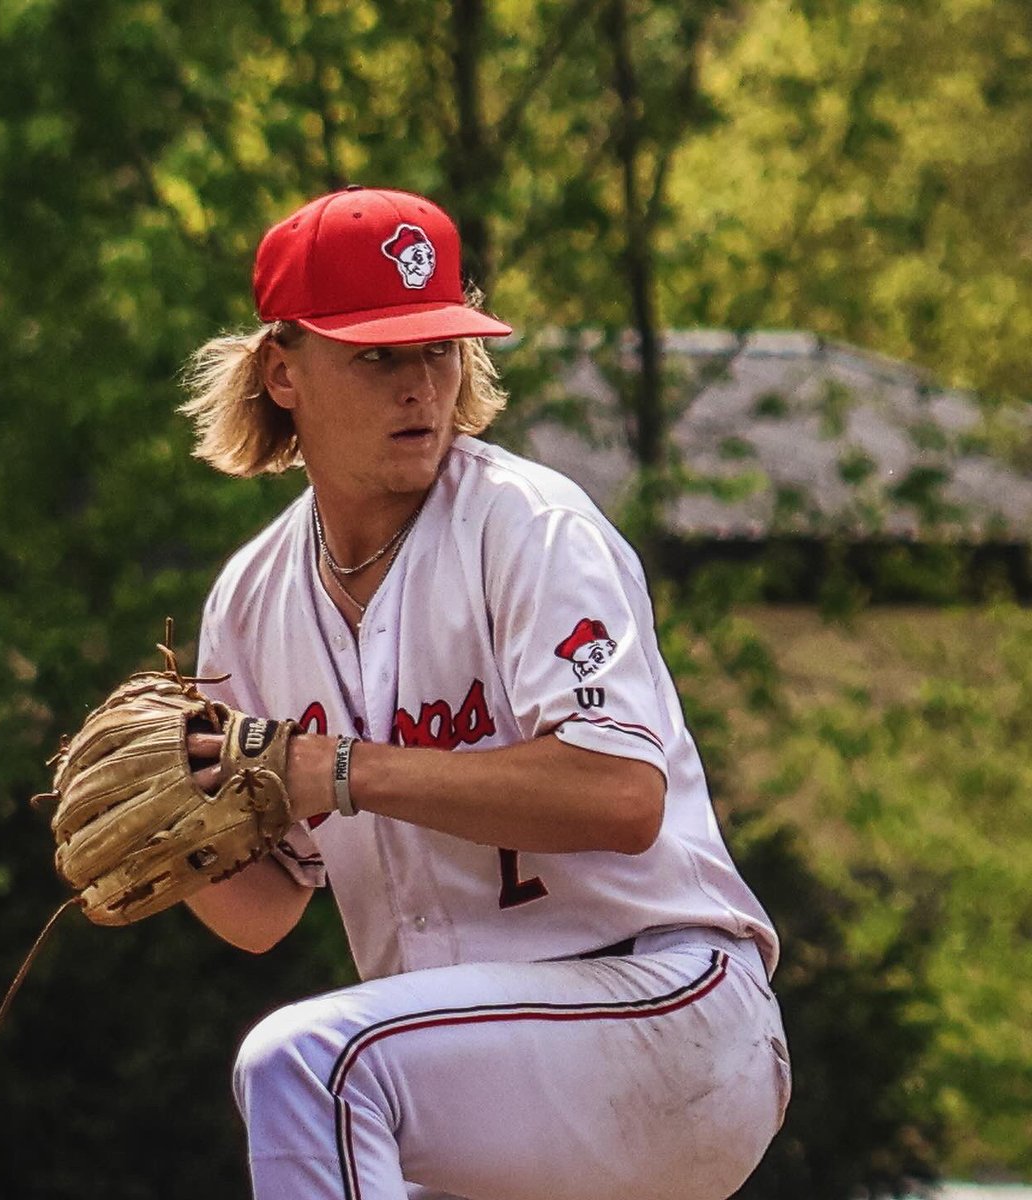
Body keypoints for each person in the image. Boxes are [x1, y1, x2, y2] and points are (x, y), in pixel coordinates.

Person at [178, 186, 791, 1200]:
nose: (420, 385)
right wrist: (171, 839)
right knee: (337, 1090)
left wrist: (342, 769)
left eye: (439, 347)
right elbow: (265, 909)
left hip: (667, 1006)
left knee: (310, 1066)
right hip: (481, 1068)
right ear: (283, 371)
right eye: (377, 355)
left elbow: (621, 797)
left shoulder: (529, 528)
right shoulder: (251, 602)